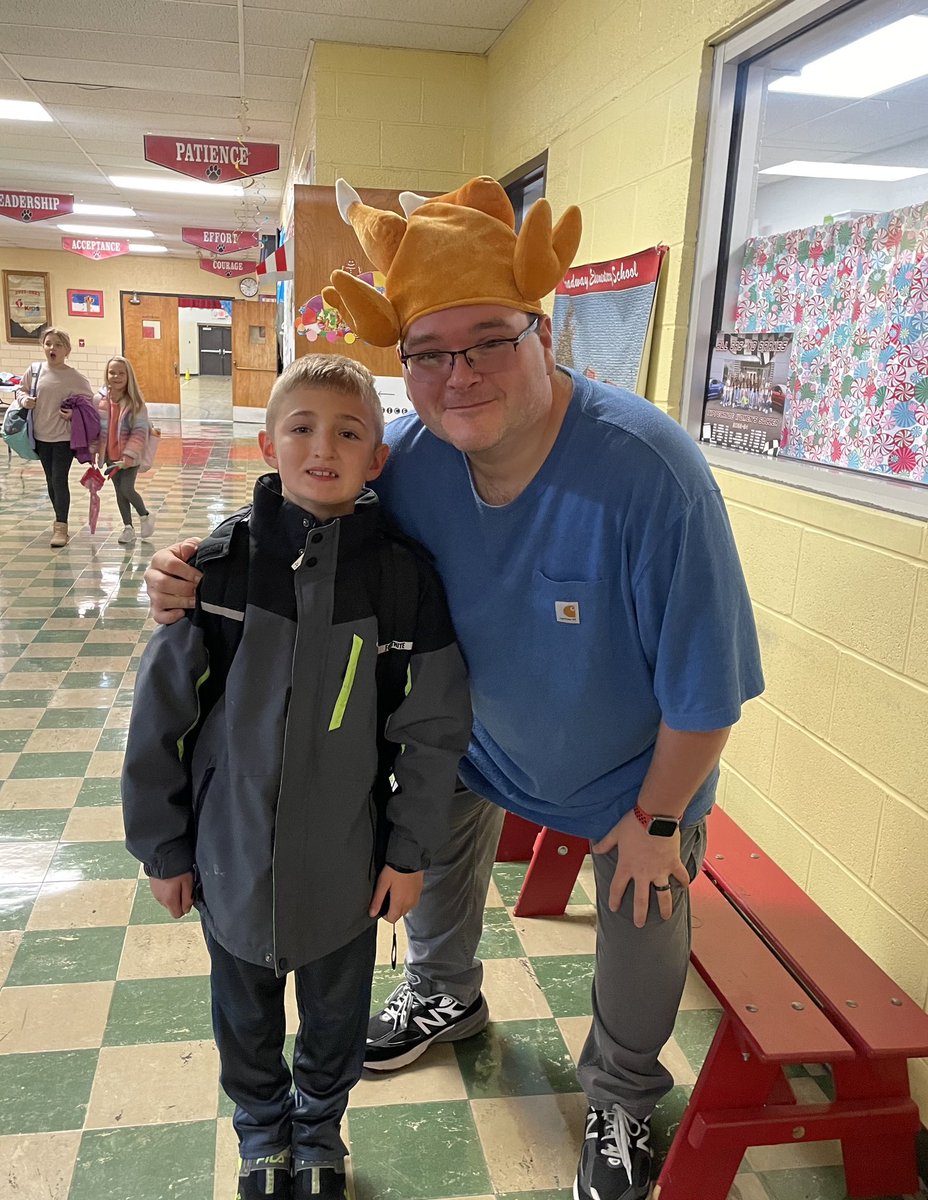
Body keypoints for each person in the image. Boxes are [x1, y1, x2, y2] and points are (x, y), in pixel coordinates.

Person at [144, 178, 764, 1200]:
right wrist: (197, 567)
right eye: (429, 352)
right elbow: (310, 516)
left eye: (487, 341)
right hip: (479, 740)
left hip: (632, 777)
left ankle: (617, 1095)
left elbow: (708, 694)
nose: (458, 373)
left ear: (544, 332)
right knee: (423, 823)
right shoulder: (416, 462)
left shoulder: (650, 472)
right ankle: (443, 994)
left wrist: (655, 817)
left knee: (647, 911)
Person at [124, 354, 471, 1200]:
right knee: (243, 1016)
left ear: (377, 459)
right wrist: (164, 848)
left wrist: (410, 850)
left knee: (335, 1017)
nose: (325, 446)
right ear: (267, 444)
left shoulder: (402, 580)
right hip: (230, 861)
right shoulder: (217, 571)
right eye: (303, 427)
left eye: (350, 432)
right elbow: (160, 716)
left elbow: (430, 734)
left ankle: (317, 1131)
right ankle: (261, 1134)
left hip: (347, 871)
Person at [18, 327, 93, 547]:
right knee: (51, 480)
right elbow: (20, 390)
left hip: (63, 438)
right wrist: (24, 401)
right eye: (49, 343)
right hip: (40, 436)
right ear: (43, 346)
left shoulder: (74, 377)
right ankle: (59, 520)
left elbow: (89, 403)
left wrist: (73, 414)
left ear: (67, 350)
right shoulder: (34, 371)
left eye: (58, 345)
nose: (52, 348)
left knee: (59, 479)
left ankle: (61, 527)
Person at [93, 355, 155, 545]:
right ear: (106, 374)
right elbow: (94, 428)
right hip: (110, 456)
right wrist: (92, 451)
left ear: (128, 377)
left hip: (129, 457)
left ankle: (145, 516)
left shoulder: (136, 404)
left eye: (121, 373)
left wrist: (128, 456)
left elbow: (139, 432)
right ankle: (128, 528)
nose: (116, 376)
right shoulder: (99, 400)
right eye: (112, 372)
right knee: (119, 492)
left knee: (127, 488)